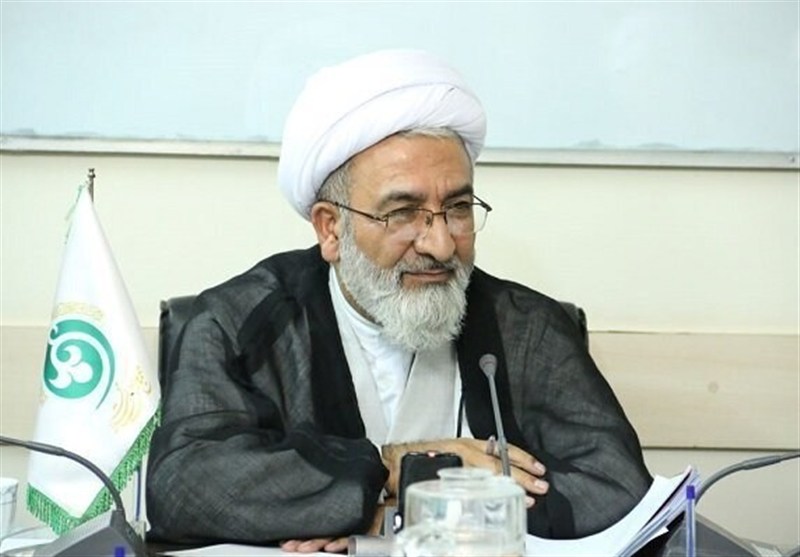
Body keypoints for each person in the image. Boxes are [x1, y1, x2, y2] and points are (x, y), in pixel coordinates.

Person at [145, 49, 652, 553]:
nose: (442, 245)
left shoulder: (526, 328)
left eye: (458, 207)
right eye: (404, 212)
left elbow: (618, 488)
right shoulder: (240, 323)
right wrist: (393, 466)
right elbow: (185, 485)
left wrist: (394, 513)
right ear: (330, 228)